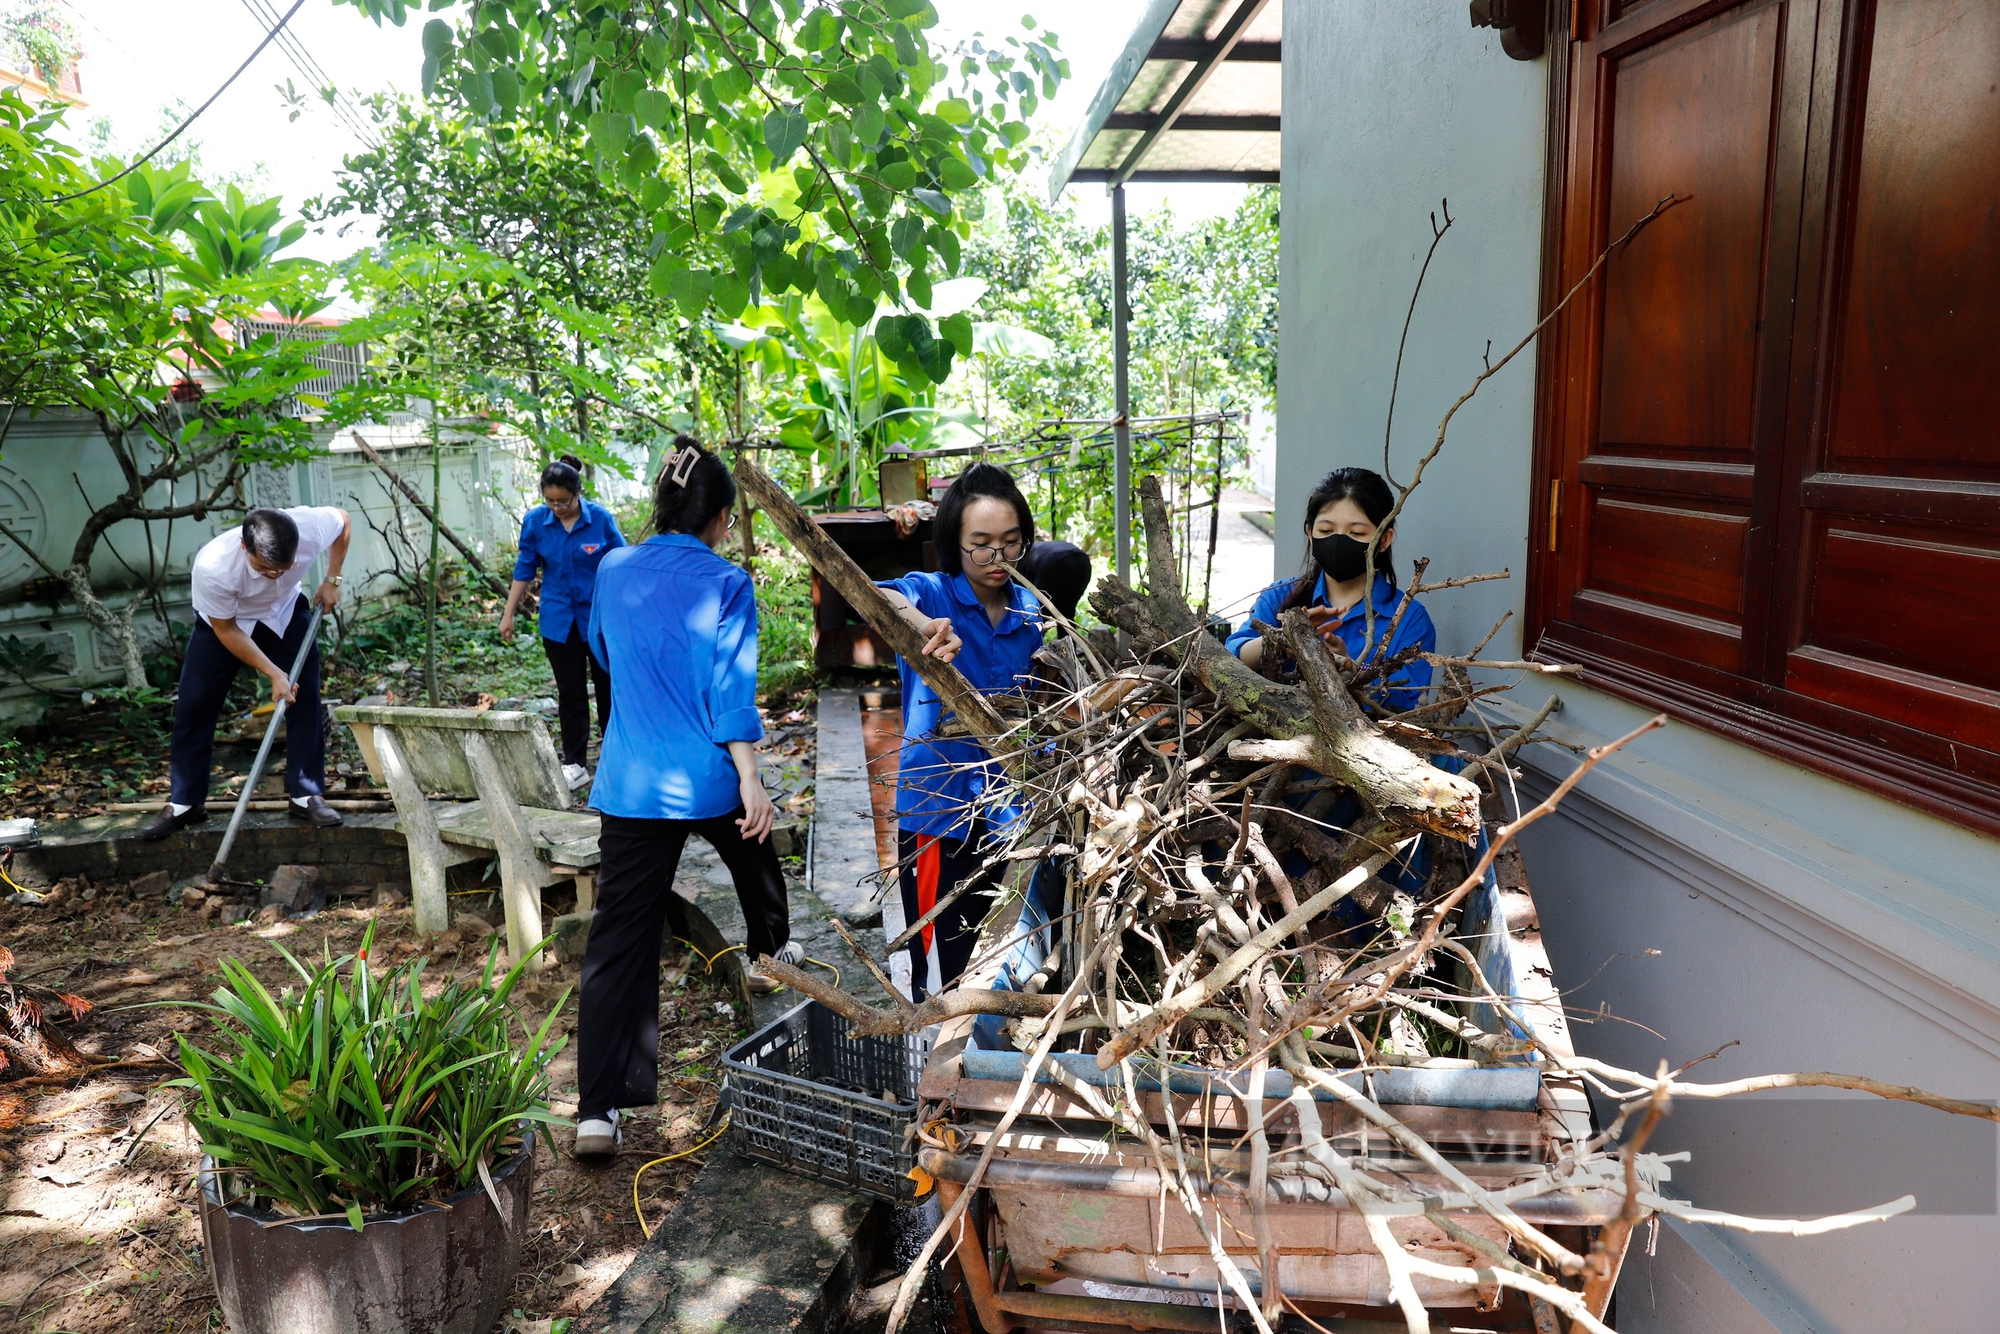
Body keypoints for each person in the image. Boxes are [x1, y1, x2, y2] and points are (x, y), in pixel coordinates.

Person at [571, 437, 796, 1158]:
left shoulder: (611, 567)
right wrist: (752, 781)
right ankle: (770, 959)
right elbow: (732, 691)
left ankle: (597, 1113)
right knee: (758, 856)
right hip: (707, 775)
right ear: (722, 518)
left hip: (632, 779)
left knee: (617, 944)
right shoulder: (728, 581)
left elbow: (600, 652)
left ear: (661, 506)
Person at [875, 463, 1046, 1001]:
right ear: (954, 542)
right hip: (939, 812)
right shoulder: (931, 595)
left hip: (1013, 813)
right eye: (981, 544)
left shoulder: (1031, 610)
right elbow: (879, 598)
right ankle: (933, 1053)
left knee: (1000, 948)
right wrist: (920, 626)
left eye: (1010, 543)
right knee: (938, 958)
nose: (997, 558)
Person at [137, 506, 349, 840]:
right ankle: (186, 803)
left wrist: (332, 579)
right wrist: (272, 672)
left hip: (284, 614)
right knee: (195, 706)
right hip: (226, 625)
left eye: (284, 568)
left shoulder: (309, 527)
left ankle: (305, 795)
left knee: (304, 696)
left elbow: (344, 521)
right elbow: (227, 630)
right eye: (265, 569)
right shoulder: (213, 567)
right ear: (243, 547)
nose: (275, 575)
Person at [1226, 466, 1435, 709]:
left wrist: (1346, 667)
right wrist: (1280, 641)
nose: (1338, 542)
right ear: (1310, 533)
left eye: (1356, 532)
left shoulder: (1409, 619)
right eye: (1326, 530)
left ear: (1384, 540)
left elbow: (1408, 706)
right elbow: (1227, 658)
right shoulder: (1278, 596)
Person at [501, 455, 625, 789]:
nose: (557, 507)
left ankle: (619, 760)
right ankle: (575, 764)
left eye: (564, 501)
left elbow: (622, 563)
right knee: (570, 694)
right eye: (550, 501)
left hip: (600, 619)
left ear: (578, 494)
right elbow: (525, 568)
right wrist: (508, 613)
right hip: (558, 621)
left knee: (609, 688)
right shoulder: (536, 522)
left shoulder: (599, 519)